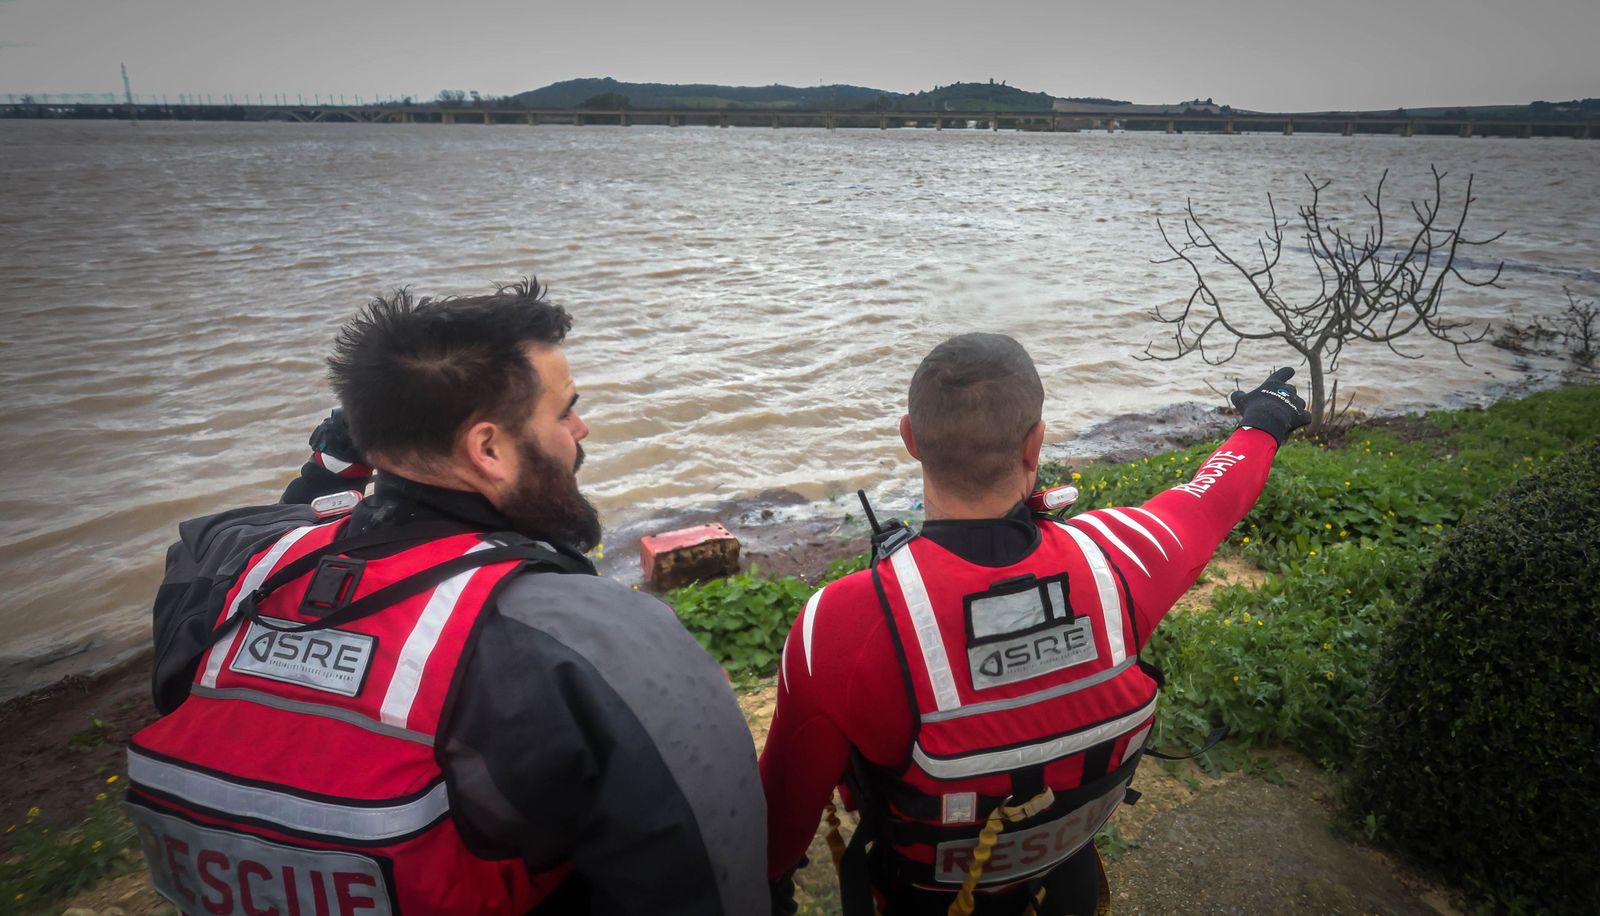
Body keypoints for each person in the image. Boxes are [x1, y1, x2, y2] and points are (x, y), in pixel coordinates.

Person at [130, 280, 767, 915]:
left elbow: (273, 526)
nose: (582, 428)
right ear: (487, 449)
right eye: (564, 410)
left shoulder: (219, 575)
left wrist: (342, 466)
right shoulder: (593, 641)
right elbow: (709, 885)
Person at [760, 334, 1311, 915]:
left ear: (910, 439)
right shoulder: (1121, 558)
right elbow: (1213, 496)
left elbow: (776, 831)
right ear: (1035, 445)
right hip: (1059, 882)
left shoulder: (842, 624)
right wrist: (1265, 418)